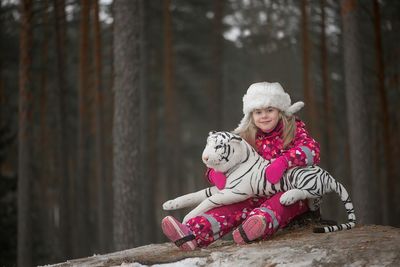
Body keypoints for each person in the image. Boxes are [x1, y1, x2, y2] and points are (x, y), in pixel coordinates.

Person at [161, 81, 320, 250]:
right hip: (252, 192)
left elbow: (312, 150)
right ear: (251, 115)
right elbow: (219, 157)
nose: (264, 116)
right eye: (258, 112)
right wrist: (215, 174)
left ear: (280, 111)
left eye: (269, 110)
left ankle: (257, 225)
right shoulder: (241, 137)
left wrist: (284, 161)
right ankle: (192, 232)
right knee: (230, 208)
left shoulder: (294, 129)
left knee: (279, 203)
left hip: (291, 189)